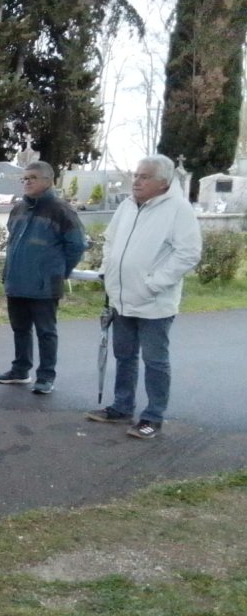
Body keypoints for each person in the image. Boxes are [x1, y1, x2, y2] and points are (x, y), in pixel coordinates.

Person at [85, 154, 201, 439]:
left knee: (155, 361)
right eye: (136, 175)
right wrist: (107, 270)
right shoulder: (127, 206)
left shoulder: (178, 210)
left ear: (163, 183)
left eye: (144, 176)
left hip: (154, 302)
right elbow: (111, 240)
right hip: (121, 298)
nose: (136, 181)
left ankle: (153, 417)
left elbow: (188, 253)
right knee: (124, 355)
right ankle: (122, 407)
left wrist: (154, 283)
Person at [0, 160, 86, 394]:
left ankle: (46, 376)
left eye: (32, 178)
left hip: (44, 285)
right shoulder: (19, 209)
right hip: (17, 281)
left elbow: (76, 246)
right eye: (24, 178)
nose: (26, 182)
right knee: (20, 329)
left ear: (48, 181)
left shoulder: (61, 210)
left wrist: (59, 272)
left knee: (46, 332)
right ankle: (20, 370)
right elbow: (13, 241)